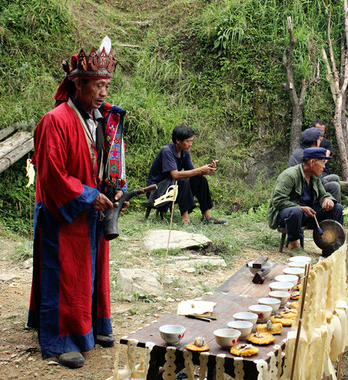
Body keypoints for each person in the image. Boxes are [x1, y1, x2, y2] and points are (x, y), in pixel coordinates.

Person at [28, 37, 125, 368]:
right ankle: (61, 340)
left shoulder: (100, 119)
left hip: (92, 211)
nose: (103, 93)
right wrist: (87, 195)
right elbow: (51, 174)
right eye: (97, 85)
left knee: (91, 272)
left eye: (106, 86)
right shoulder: (54, 121)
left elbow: (105, 163)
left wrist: (113, 189)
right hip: (63, 211)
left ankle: (92, 327)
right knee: (66, 274)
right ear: (78, 84)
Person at [147, 125, 226, 225]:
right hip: (157, 189)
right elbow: (175, 175)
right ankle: (185, 221)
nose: (190, 144)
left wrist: (205, 170)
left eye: (192, 141)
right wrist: (200, 170)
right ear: (178, 141)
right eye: (188, 141)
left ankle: (207, 217)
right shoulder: (167, 151)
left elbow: (192, 173)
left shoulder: (185, 152)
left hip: (171, 185)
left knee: (200, 180)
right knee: (182, 181)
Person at [268, 147, 344, 252]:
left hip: (308, 214)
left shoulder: (315, 176)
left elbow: (323, 194)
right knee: (296, 211)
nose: (324, 166)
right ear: (312, 162)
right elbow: (278, 201)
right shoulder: (289, 175)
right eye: (322, 162)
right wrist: (301, 208)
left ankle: (332, 247)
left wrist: (327, 199)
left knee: (338, 208)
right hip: (289, 216)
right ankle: (294, 246)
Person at [288, 127, 341, 203]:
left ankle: (331, 204)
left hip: (311, 180)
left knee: (335, 178)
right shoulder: (307, 155)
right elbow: (315, 178)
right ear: (316, 142)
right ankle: (332, 210)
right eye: (320, 139)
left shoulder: (302, 150)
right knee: (334, 186)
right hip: (303, 187)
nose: (320, 141)